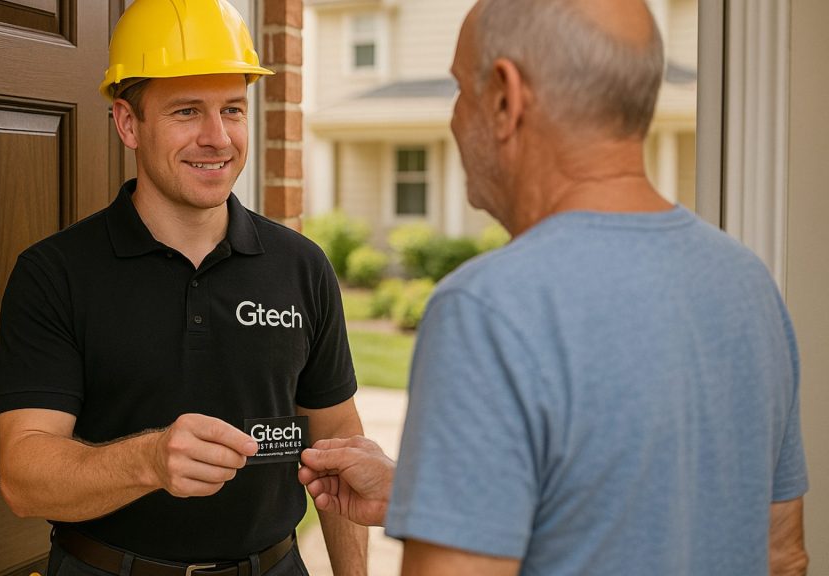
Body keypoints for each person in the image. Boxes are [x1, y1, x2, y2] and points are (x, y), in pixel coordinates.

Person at [298, 0, 809, 574]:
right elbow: (780, 554)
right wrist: (427, 500)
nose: (456, 117)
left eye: (461, 91)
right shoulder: (747, 284)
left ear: (504, 98)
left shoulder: (488, 309)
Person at [0, 1, 368, 574]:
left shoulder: (302, 266)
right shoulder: (55, 274)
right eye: (187, 111)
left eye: (233, 110)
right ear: (127, 123)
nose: (217, 138)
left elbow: (338, 441)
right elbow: (24, 477)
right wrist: (148, 461)